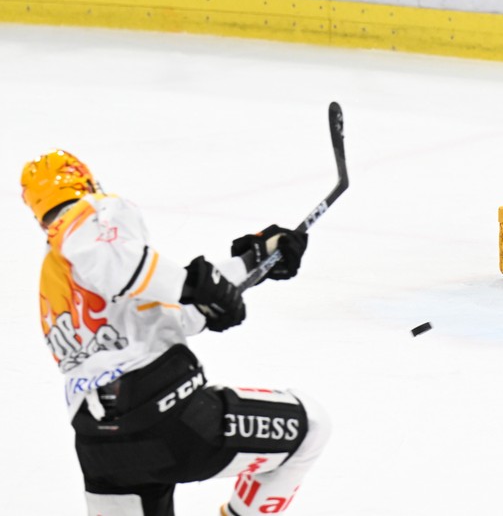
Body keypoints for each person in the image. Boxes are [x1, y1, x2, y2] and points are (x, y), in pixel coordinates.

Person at [21, 149, 330, 516]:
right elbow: (134, 269)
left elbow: (168, 313)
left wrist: (252, 263)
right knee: (310, 426)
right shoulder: (90, 215)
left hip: (98, 449)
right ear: (85, 181)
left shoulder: (60, 277)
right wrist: (194, 285)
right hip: (168, 421)